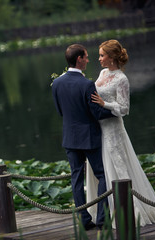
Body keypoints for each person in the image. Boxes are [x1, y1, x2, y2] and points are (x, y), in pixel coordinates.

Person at [86, 39, 155, 227]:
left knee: (117, 166)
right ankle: (102, 213)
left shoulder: (122, 79)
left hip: (114, 129)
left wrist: (104, 104)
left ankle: (127, 210)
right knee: (101, 170)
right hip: (99, 127)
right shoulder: (102, 72)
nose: (99, 59)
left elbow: (124, 109)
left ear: (112, 57)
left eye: (101, 55)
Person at [51, 44, 115, 230]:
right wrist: (116, 110)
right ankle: (102, 218)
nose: (88, 60)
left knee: (76, 177)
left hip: (70, 138)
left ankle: (84, 220)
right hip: (89, 137)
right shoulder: (87, 84)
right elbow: (97, 113)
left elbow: (60, 111)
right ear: (79, 59)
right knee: (102, 174)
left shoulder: (57, 83)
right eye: (86, 57)